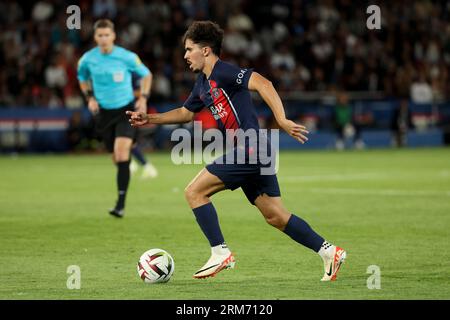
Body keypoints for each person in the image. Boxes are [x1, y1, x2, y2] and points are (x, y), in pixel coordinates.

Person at [127, 21, 346, 281]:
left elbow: (264, 83)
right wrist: (149, 119)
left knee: (194, 192)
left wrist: (282, 119)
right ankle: (329, 252)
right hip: (257, 150)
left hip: (251, 147)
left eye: (189, 49)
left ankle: (220, 253)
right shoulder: (202, 84)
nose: (185, 56)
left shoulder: (225, 72)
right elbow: (186, 113)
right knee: (275, 216)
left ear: (206, 50)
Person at [77, 19, 152, 218]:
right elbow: (82, 78)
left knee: (120, 153)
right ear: (95, 37)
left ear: (113, 36)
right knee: (115, 156)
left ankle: (120, 205)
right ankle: (127, 164)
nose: (103, 39)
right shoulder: (87, 59)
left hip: (126, 110)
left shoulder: (126, 57)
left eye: (106, 35)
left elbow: (146, 75)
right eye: (100, 35)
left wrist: (143, 99)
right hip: (104, 113)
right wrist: (89, 98)